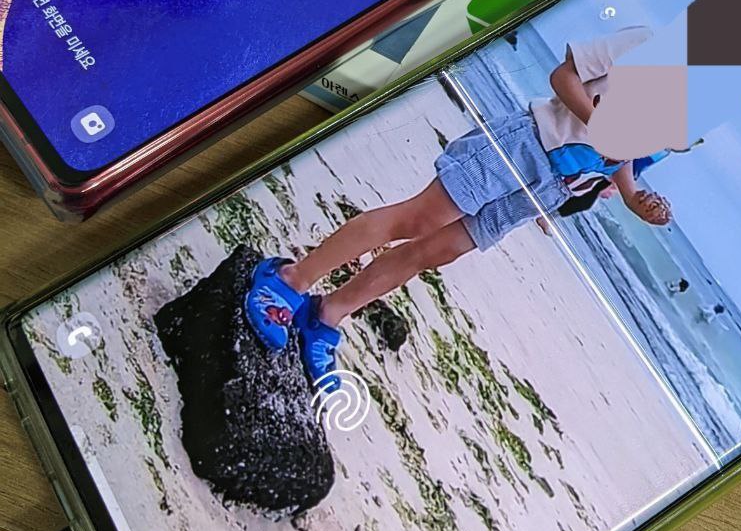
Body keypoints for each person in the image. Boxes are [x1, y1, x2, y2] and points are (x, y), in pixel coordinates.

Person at [244, 25, 672, 393]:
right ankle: (290, 279)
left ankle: (327, 314)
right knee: (417, 219)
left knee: (435, 252)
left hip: (547, 190)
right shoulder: (646, 44)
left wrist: (633, 198)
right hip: (526, 144)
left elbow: (620, 155)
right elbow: (564, 76)